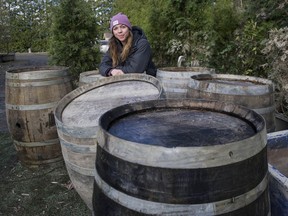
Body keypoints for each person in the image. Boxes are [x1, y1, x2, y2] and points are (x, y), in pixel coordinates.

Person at [99, 13, 157, 77]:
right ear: (113, 32)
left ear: (129, 29)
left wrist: (115, 69)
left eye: (123, 27)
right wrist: (111, 71)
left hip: (146, 82)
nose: (119, 31)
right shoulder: (114, 45)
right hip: (125, 82)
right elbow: (102, 65)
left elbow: (135, 70)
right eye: (115, 28)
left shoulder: (142, 44)